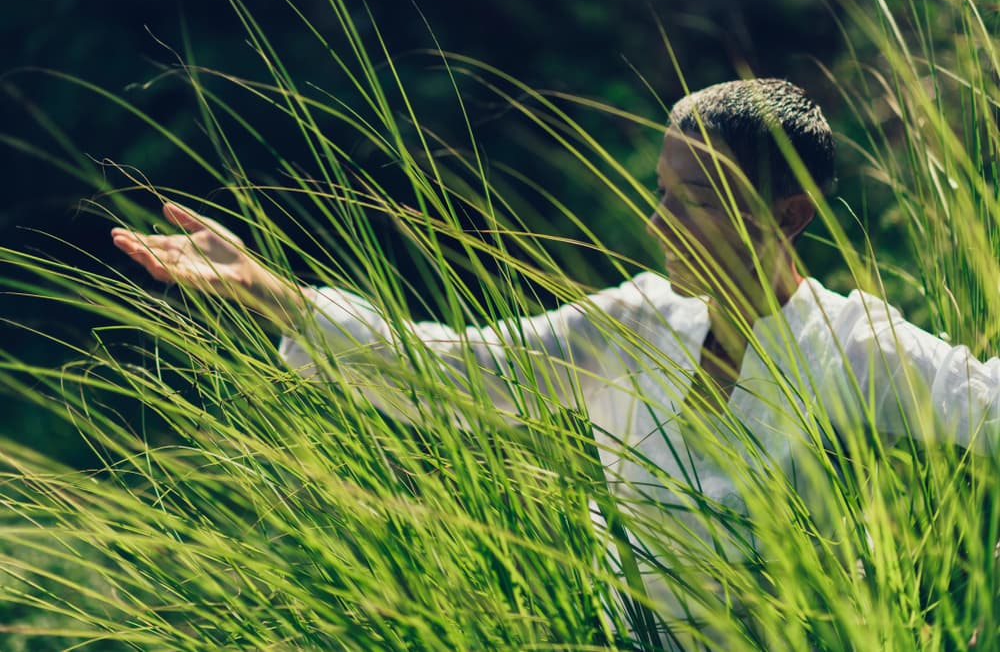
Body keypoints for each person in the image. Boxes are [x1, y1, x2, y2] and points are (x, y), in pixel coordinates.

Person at [111, 78, 1000, 643]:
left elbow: (986, 403)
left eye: (693, 201)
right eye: (659, 192)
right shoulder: (634, 320)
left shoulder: (856, 343)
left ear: (791, 216)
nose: (656, 224)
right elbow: (454, 376)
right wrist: (273, 288)